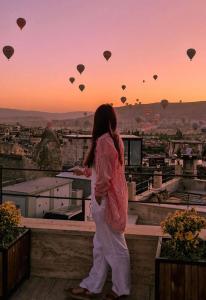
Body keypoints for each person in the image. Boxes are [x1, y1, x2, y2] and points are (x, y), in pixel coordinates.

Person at [66, 104, 130, 300]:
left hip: (104, 201)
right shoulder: (114, 140)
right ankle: (93, 286)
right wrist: (84, 171)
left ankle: (121, 290)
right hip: (108, 199)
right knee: (101, 246)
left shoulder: (103, 142)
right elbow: (101, 169)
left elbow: (104, 176)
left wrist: (99, 198)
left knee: (115, 246)